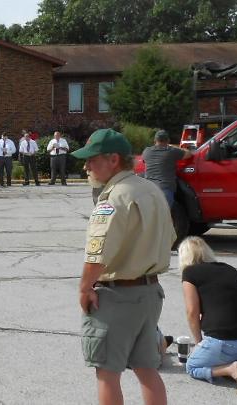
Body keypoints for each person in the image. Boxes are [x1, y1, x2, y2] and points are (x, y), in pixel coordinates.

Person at [73, 128, 174, 405]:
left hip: (118, 296)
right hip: (150, 292)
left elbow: (97, 253)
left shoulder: (113, 198)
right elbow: (170, 238)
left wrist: (85, 287)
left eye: (92, 160)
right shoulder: (151, 189)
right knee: (146, 369)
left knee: (107, 372)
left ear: (113, 159)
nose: (86, 167)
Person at [178, 236, 237, 395]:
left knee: (192, 367)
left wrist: (199, 343)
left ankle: (232, 370)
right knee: (219, 350)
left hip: (226, 341)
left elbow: (192, 312)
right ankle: (232, 364)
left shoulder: (189, 273)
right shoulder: (228, 268)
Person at [142, 129, 192, 206]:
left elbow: (144, 161)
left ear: (155, 140)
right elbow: (189, 154)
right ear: (168, 140)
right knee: (164, 216)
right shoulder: (172, 151)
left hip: (149, 191)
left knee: (151, 216)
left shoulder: (146, 151)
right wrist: (173, 146)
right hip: (165, 190)